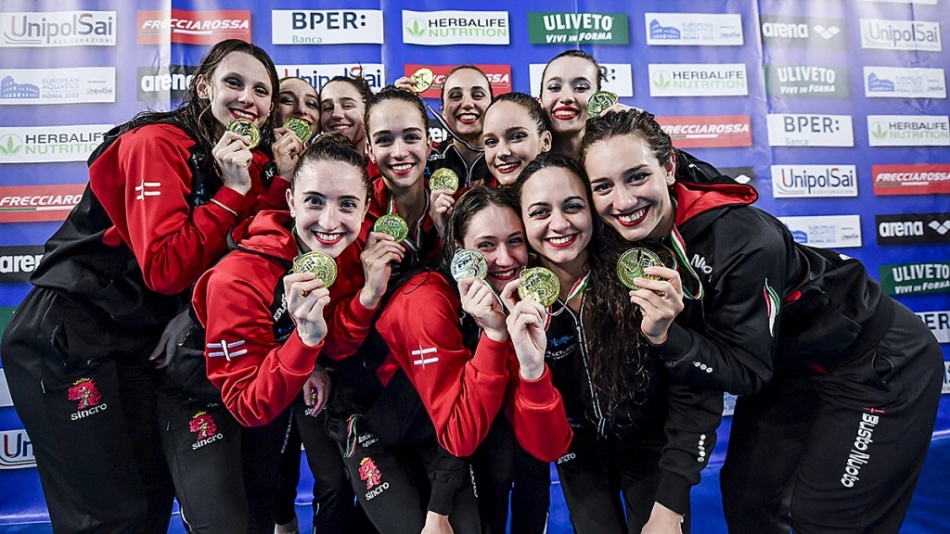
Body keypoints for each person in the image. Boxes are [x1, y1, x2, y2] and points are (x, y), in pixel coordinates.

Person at [580, 109, 943, 533]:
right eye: (603, 186)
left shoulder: (744, 242)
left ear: (669, 167)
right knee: (750, 503)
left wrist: (666, 337)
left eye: (637, 177)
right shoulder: (638, 239)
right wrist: (670, 500)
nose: (622, 202)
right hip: (790, 369)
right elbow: (699, 378)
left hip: (875, 362)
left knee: (827, 519)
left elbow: (744, 371)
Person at [0, 39, 285, 533]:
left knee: (151, 501)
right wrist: (232, 192)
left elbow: (240, 255)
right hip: (67, 336)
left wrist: (189, 313)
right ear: (203, 87)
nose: (248, 99)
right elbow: (166, 268)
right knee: (111, 517)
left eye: (261, 90)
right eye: (234, 83)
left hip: (130, 342)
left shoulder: (242, 163)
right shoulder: (155, 142)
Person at [507, 152, 721, 533]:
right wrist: (530, 367)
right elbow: (543, 445)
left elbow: (695, 394)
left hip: (651, 445)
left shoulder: (644, 273)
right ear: (521, 222)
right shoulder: (515, 302)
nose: (559, 224)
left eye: (573, 206)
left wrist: (670, 502)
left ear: (592, 208)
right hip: (578, 450)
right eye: (539, 212)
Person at [481, 91, 552, 187]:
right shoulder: (470, 199)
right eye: (491, 142)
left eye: (517, 137)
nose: (502, 153)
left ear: (545, 142)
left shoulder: (572, 192)